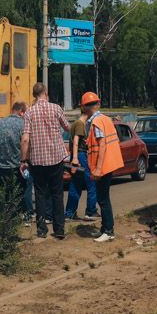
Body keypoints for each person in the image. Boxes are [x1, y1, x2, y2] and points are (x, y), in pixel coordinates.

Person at [20, 82, 70, 239]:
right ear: (45, 92)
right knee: (57, 194)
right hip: (56, 157)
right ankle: (59, 229)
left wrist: (24, 160)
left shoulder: (29, 112)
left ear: (34, 94)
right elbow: (68, 127)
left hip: (38, 160)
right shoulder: (56, 108)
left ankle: (42, 230)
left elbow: (26, 139)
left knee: (40, 194)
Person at [82, 92, 123, 242]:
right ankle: (104, 229)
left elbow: (102, 145)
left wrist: (98, 168)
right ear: (97, 104)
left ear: (85, 107)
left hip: (103, 165)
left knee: (103, 199)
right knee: (102, 197)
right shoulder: (105, 119)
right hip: (109, 163)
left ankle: (109, 231)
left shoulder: (96, 122)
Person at [0, 101, 32, 223]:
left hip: (1, 166)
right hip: (18, 166)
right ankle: (22, 216)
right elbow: (25, 143)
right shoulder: (23, 124)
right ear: (21, 112)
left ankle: (5, 218)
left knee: (4, 193)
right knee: (21, 191)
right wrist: (25, 160)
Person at [65, 108, 98, 221]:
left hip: (78, 156)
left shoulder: (76, 123)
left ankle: (69, 213)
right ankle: (91, 211)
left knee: (75, 185)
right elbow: (76, 141)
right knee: (91, 182)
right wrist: (75, 158)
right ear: (88, 113)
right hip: (80, 156)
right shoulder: (80, 124)